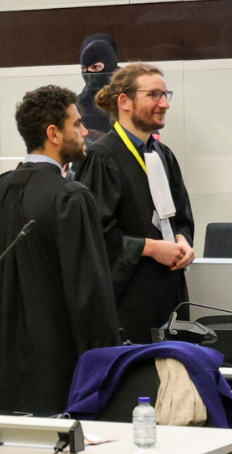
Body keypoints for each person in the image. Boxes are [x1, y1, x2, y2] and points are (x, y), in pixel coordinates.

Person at [0, 84, 120, 414]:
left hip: (7, 362)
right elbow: (89, 290)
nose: (84, 130)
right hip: (62, 366)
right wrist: (106, 360)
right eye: (76, 124)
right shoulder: (70, 196)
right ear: (53, 133)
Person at [75, 63, 195, 344]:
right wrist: (152, 248)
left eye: (166, 95)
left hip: (170, 292)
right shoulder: (102, 158)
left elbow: (182, 216)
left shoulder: (162, 154)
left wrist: (183, 241)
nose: (164, 104)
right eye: (154, 95)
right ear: (124, 101)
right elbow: (94, 235)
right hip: (127, 301)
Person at [77, 33, 119, 142]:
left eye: (95, 67)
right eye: (84, 69)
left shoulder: (126, 99)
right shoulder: (79, 103)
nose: (89, 74)